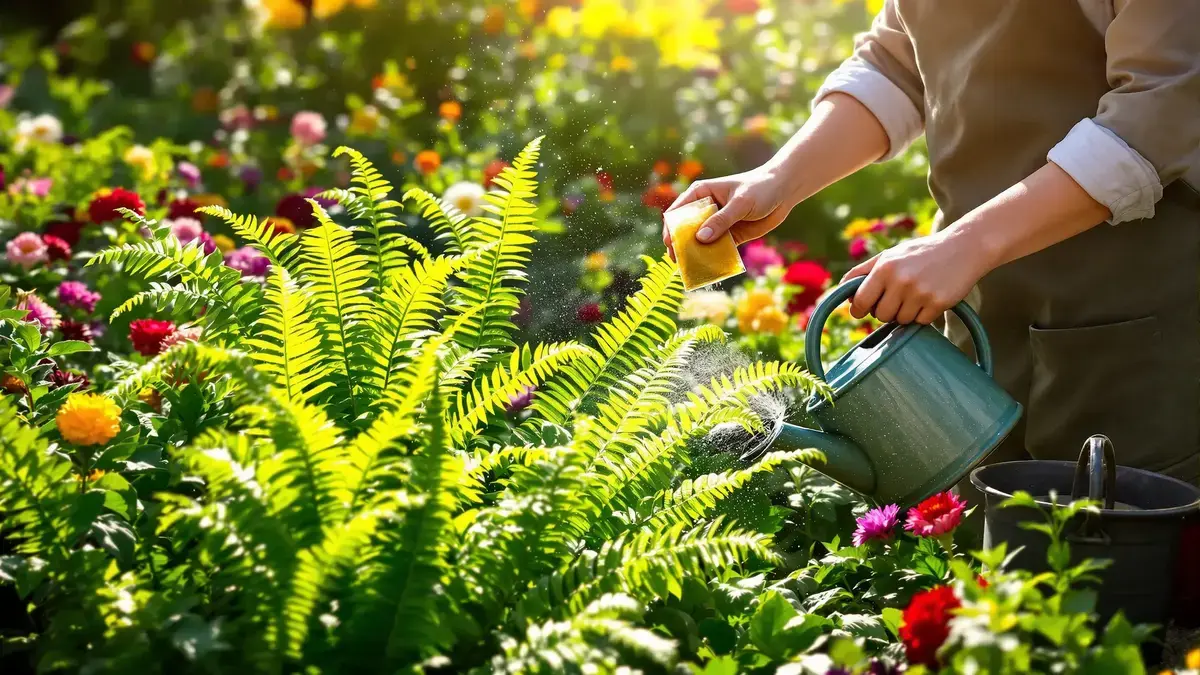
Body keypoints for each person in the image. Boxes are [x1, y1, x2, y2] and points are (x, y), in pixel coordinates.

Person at [665, 0, 1200, 513]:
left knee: (1125, 555)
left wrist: (966, 245)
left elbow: (1162, 107)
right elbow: (896, 66)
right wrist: (777, 178)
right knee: (984, 550)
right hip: (981, 309)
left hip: (1134, 320)